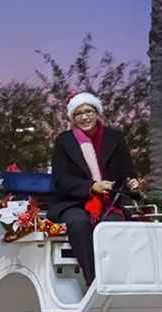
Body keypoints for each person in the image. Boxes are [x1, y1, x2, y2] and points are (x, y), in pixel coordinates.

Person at [48, 92, 139, 286]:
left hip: (110, 202)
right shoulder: (64, 141)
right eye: (79, 113)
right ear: (73, 118)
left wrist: (133, 182)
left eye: (88, 111)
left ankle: (119, 279)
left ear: (97, 113)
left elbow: (128, 171)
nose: (85, 117)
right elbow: (61, 179)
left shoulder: (115, 137)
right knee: (79, 224)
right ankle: (94, 281)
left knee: (113, 226)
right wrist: (91, 187)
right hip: (74, 202)